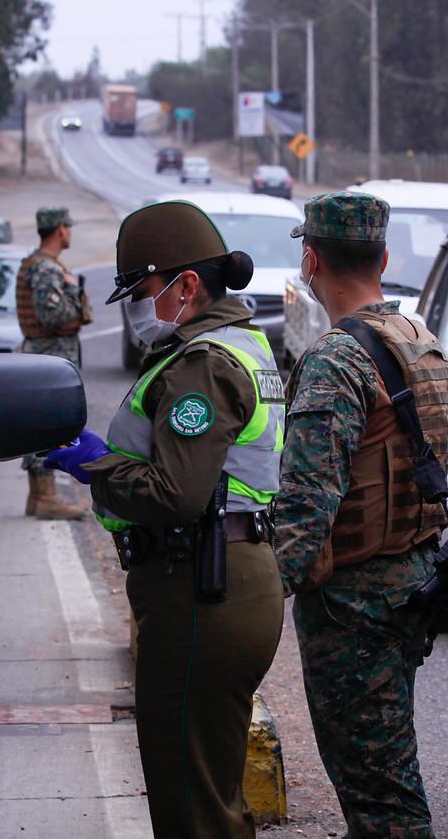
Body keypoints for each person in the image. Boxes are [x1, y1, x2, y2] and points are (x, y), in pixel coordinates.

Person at [45, 200, 285, 838]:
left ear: (187, 285)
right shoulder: (238, 345)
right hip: (225, 579)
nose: (138, 305)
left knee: (191, 806)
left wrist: (96, 467)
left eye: (146, 290)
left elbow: (176, 494)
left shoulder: (203, 365)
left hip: (203, 589)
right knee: (209, 793)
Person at [273, 192, 448, 838]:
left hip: (353, 608)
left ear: (310, 259)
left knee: (382, 798)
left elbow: (306, 504)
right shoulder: (418, 341)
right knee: (379, 774)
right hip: (409, 583)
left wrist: (255, 600)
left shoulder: (335, 359)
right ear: (383, 257)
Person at [16, 206, 92, 520]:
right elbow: (53, 315)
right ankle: (46, 497)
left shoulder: (39, 264)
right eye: (68, 228)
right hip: (49, 356)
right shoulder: (48, 269)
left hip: (43, 354)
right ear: (60, 229)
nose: (70, 232)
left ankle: (38, 497)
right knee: (48, 423)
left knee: (40, 422)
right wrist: (74, 288)